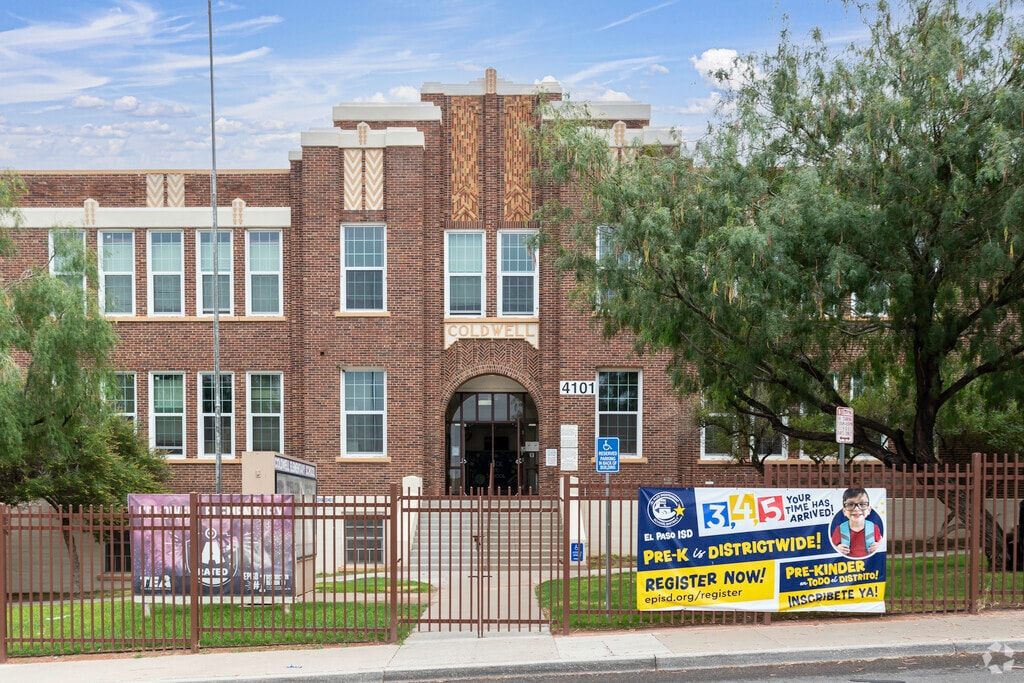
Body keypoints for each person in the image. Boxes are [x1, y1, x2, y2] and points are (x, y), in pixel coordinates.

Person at [831, 487, 882, 558]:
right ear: (844, 511)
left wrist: (878, 546)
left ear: (869, 510)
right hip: (847, 565)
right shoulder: (839, 529)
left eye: (862, 504)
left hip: (869, 566)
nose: (856, 509)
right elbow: (831, 547)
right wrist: (837, 548)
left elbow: (881, 542)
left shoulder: (873, 527)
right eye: (850, 504)